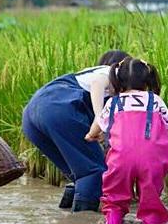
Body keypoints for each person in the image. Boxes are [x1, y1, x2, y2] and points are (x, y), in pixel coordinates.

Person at [22, 50, 130, 212]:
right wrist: (98, 117)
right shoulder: (110, 72)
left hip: (32, 115)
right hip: (57, 106)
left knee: (81, 173)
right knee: (94, 173)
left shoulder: (86, 80)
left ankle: (67, 223)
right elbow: (98, 84)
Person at [85, 57, 168, 224]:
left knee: (114, 197)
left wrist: (90, 135)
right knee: (151, 198)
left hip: (120, 159)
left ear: (118, 79)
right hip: (152, 160)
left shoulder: (113, 103)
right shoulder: (155, 101)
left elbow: (98, 125)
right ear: (148, 79)